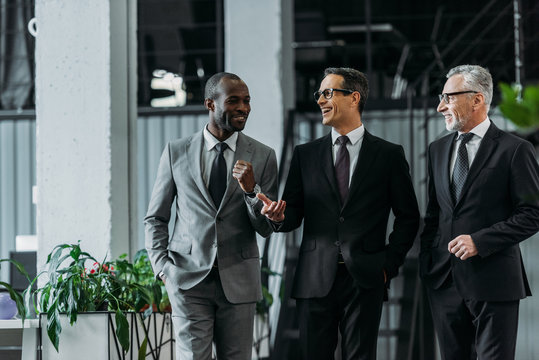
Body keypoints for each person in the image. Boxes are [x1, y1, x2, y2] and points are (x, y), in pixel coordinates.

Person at [259, 67, 420, 360]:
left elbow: (408, 217)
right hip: (314, 277)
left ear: (354, 97)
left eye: (328, 93)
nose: (320, 99)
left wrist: (388, 265)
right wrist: (279, 217)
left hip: (366, 277)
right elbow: (293, 212)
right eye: (319, 94)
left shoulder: (388, 155)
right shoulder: (305, 155)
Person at [144, 72, 278, 360]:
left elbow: (265, 228)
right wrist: (164, 270)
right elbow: (155, 218)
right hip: (187, 279)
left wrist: (252, 191)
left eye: (247, 101)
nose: (244, 108)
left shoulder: (264, 156)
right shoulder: (175, 152)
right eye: (234, 101)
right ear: (210, 104)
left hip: (239, 282)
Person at [419, 64, 539, 360]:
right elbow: (434, 214)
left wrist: (479, 241)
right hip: (444, 281)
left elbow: (533, 213)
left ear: (477, 99)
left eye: (448, 97)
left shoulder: (515, 149)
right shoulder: (436, 150)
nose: (439, 107)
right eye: (441, 97)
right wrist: (427, 261)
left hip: (494, 280)